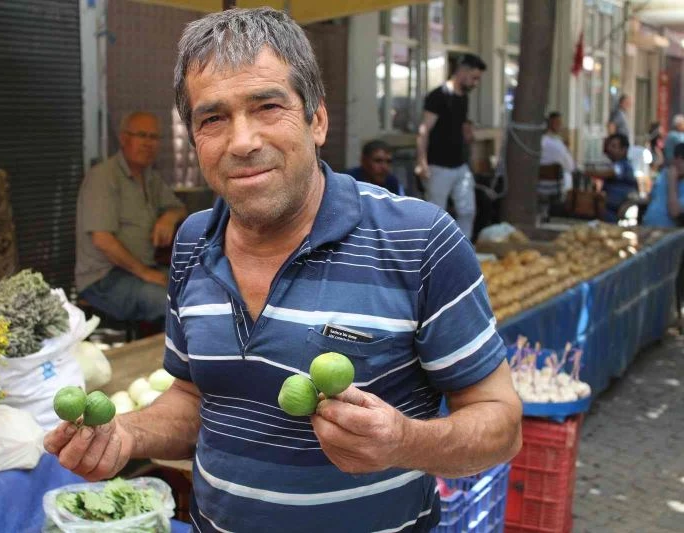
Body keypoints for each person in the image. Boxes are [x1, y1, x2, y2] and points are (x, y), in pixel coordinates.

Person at [47, 9, 521, 533]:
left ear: (317, 119)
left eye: (267, 106)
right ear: (195, 138)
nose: (242, 141)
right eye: (213, 118)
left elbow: (501, 424)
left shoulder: (418, 240)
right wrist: (128, 435)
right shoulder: (191, 243)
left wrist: (403, 441)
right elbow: (195, 397)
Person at [75, 111, 187, 322]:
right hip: (103, 279)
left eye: (153, 137)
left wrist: (169, 217)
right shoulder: (103, 177)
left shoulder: (149, 177)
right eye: (141, 135)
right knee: (172, 304)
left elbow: (179, 207)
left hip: (141, 271)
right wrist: (146, 273)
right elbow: (103, 240)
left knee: (200, 291)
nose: (148, 143)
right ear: (124, 138)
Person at [415, 53, 487, 240]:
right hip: (438, 166)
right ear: (463, 71)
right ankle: (433, 259)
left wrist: (468, 131)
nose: (475, 83)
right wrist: (422, 162)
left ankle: (463, 255)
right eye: (474, 78)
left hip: (460, 165)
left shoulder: (463, 97)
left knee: (468, 210)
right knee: (435, 216)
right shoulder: (438, 96)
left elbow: (460, 123)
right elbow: (424, 130)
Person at [643, 143, 684, 227]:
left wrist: (672, 181)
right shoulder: (665, 173)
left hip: (670, 234)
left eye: (683, 159)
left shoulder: (670, 176)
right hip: (648, 226)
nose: (678, 162)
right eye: (677, 158)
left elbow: (674, 212)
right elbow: (651, 197)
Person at [601, 133, 638, 222]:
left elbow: (612, 173)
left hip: (617, 216)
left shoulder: (624, 165)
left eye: (614, 146)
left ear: (624, 150)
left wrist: (587, 172)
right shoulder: (614, 164)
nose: (609, 149)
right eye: (609, 146)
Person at [540, 111, 575, 193]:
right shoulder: (558, 144)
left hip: (537, 187)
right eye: (559, 123)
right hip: (556, 189)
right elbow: (570, 167)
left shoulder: (537, 142)